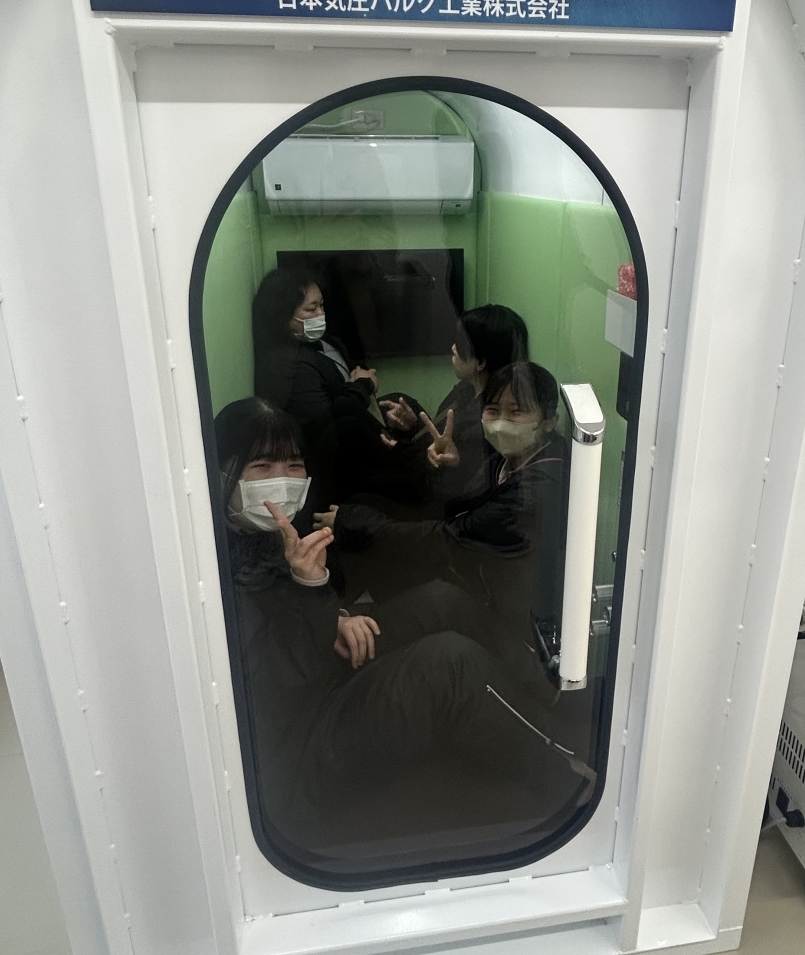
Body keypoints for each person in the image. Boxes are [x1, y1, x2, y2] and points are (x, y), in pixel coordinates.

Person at [215, 396, 585, 855]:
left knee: (441, 599)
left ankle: (536, 692)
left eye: (293, 465)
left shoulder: (256, 533)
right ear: (221, 473)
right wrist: (313, 595)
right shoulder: (209, 565)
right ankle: (569, 781)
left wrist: (333, 613)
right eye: (262, 466)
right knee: (450, 663)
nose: (283, 480)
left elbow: (293, 613)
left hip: (316, 662)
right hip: (297, 752)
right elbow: (277, 687)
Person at [318, 363, 569, 704]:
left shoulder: (537, 489)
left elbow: (450, 536)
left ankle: (343, 657)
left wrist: (352, 522)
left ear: (550, 421)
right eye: (493, 410)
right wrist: (452, 467)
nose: (501, 422)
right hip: (482, 582)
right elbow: (458, 510)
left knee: (435, 597)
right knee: (379, 531)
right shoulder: (510, 456)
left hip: (520, 637)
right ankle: (342, 635)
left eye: (516, 412)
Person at [252, 267, 426, 504]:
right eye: (311, 309)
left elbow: (349, 378)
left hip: (358, 426)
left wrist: (367, 388)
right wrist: (363, 386)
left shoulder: (326, 343)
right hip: (339, 460)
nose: (321, 314)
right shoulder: (287, 365)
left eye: (322, 305)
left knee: (401, 402)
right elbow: (329, 423)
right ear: (284, 317)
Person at [381, 304, 530, 508]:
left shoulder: (487, 423)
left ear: (480, 362)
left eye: (461, 344)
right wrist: (414, 426)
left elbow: (445, 491)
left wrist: (403, 450)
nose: (453, 348)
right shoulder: (468, 388)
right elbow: (441, 438)